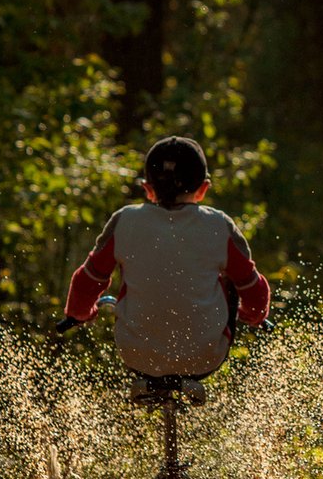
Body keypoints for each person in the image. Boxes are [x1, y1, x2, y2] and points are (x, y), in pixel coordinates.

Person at [63, 135, 270, 394]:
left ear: (147, 188)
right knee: (231, 281)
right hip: (205, 357)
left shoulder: (125, 221)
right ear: (203, 189)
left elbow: (87, 282)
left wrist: (80, 314)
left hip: (136, 354)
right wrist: (253, 315)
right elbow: (253, 289)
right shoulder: (219, 226)